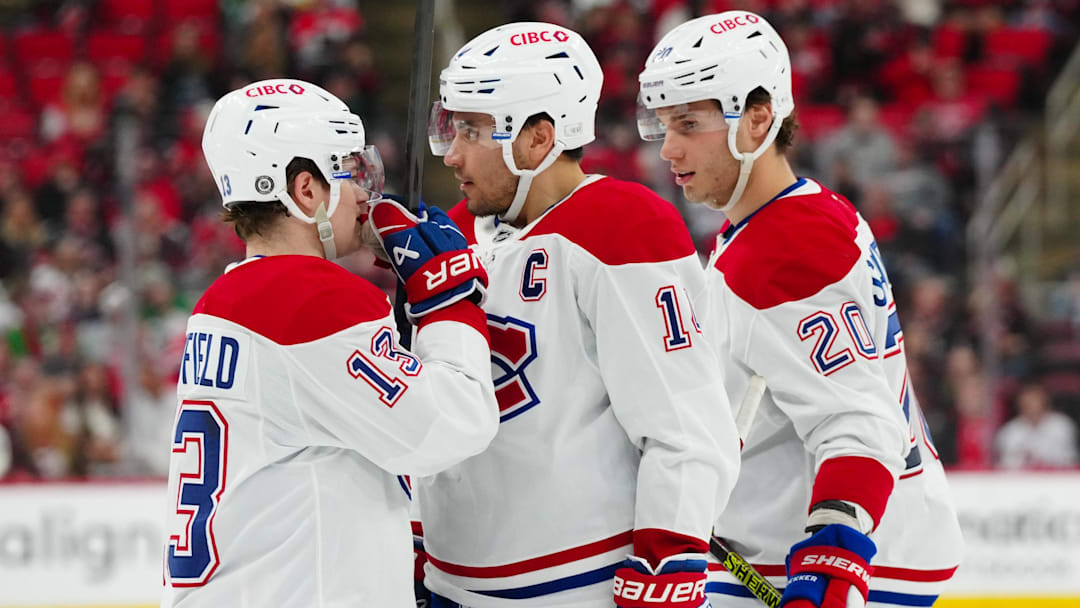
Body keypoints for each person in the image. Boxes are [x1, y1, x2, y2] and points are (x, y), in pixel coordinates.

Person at [636, 11, 964, 608]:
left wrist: (833, 557)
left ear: (758, 119)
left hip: (841, 566)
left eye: (688, 123)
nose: (669, 148)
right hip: (822, 549)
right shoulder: (797, 212)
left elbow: (858, 424)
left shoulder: (789, 246)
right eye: (663, 125)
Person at [415, 22, 742, 608]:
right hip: (450, 584)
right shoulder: (454, 234)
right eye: (451, 128)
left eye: (472, 130)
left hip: (575, 586)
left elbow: (686, 423)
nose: (454, 153)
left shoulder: (621, 227)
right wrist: (415, 535)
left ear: (539, 139)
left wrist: (669, 549)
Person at [161, 79, 499, 607]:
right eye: (348, 168)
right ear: (306, 191)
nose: (367, 191)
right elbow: (454, 425)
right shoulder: (308, 300)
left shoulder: (224, 302)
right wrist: (448, 299)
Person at [995, 382, 1079, 469]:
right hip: (1022, 480)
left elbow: (1070, 460)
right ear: (1020, 403)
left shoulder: (1062, 425)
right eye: (1028, 401)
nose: (1032, 405)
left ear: (1045, 400)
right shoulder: (1009, 431)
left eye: (1036, 399)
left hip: (1058, 478)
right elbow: (1005, 466)